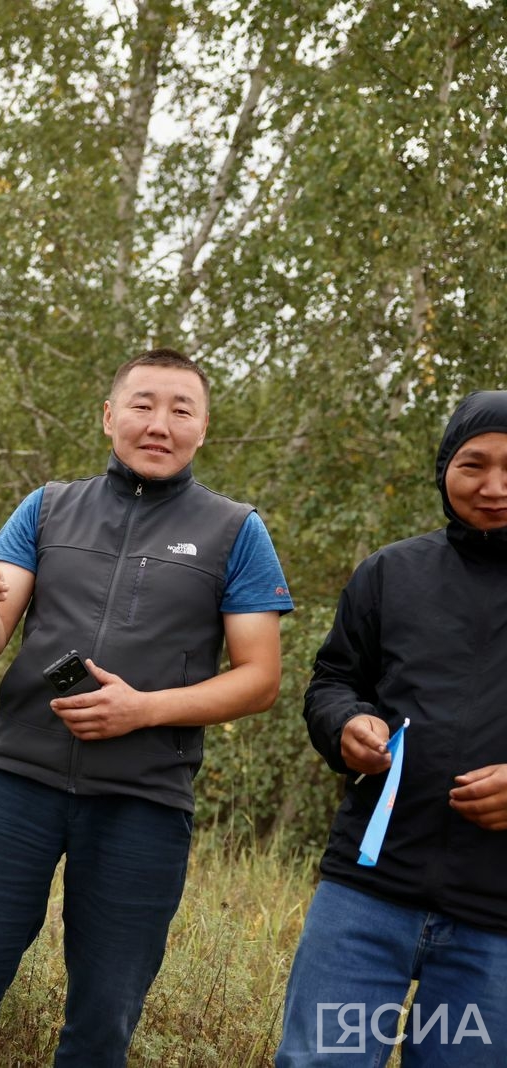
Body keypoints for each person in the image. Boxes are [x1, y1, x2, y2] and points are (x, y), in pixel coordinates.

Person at [0, 348, 294, 1068]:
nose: (160, 424)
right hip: (15, 783)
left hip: (144, 802)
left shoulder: (236, 530)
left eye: (181, 409)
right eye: (143, 404)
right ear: (108, 416)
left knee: (104, 1015)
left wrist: (144, 710)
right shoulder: (49, 505)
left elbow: (260, 680)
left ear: (204, 428)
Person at [275, 390, 507, 1067]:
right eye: (473, 464)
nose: (494, 487)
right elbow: (332, 682)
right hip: (365, 901)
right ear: (443, 470)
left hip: (495, 926)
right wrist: (347, 722)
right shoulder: (392, 573)